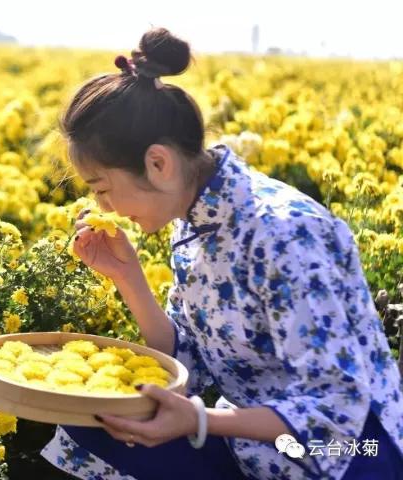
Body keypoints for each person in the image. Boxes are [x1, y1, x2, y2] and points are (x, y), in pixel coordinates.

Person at [39, 27, 403, 480]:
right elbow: (187, 365)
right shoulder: (194, 219)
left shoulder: (285, 233)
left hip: (348, 455)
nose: (103, 208)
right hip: (253, 447)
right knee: (91, 428)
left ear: (158, 163)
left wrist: (201, 421)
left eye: (102, 188)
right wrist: (127, 276)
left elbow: (336, 406)